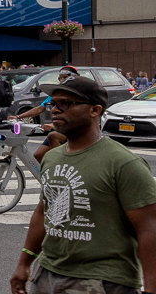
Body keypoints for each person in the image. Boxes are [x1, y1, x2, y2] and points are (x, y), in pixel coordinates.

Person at [10, 76, 156, 294]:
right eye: (53, 104)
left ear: (95, 110)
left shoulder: (124, 163)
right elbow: (43, 212)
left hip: (102, 281)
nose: (55, 110)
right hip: (47, 275)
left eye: (65, 104)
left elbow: (149, 229)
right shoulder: (53, 158)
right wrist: (24, 263)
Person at [9, 65, 80, 163]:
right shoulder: (55, 95)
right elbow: (40, 109)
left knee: (53, 137)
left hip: (73, 129)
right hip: (60, 128)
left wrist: (52, 125)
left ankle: (64, 167)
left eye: (65, 77)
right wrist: (19, 117)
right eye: (60, 78)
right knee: (38, 157)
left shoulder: (76, 95)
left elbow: (74, 115)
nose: (62, 80)